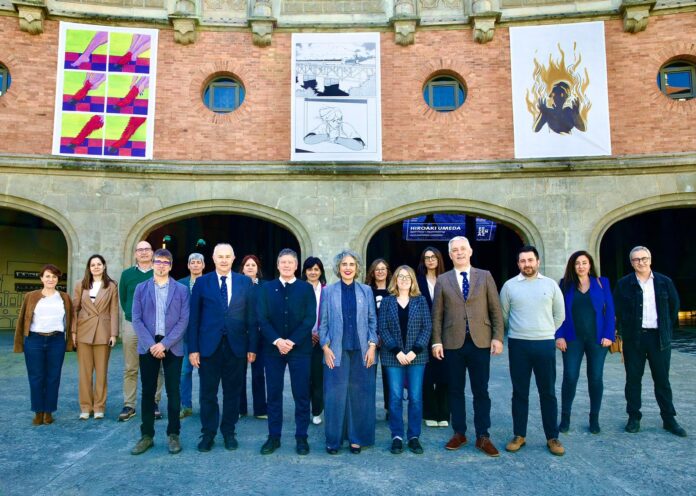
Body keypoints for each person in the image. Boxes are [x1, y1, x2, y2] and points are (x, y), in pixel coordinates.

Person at [431, 236, 504, 457]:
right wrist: (436, 341)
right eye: (455, 250)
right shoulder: (443, 280)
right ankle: (459, 433)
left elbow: (495, 309)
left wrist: (498, 337)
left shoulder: (485, 275)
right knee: (455, 390)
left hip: (480, 341)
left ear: (470, 251)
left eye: (463, 248)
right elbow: (437, 314)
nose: (459, 252)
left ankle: (483, 436)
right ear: (450, 255)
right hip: (452, 342)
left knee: (481, 390)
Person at [187, 243, 257, 452]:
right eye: (220, 256)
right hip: (209, 347)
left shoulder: (245, 282)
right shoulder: (202, 282)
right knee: (208, 393)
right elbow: (194, 318)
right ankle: (208, 433)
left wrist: (252, 347)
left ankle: (229, 432)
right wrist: (193, 349)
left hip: (237, 347)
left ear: (233, 258)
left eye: (228, 256)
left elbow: (252, 317)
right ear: (214, 258)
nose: (224, 260)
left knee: (232, 393)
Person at [500, 245, 566, 456]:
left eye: (530, 260)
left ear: (538, 262)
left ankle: (552, 437)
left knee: (548, 392)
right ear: (518, 264)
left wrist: (546, 330)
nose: (527, 264)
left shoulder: (551, 284)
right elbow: (504, 316)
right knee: (519, 392)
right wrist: (520, 331)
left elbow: (560, 314)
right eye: (523, 261)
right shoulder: (509, 286)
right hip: (518, 345)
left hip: (545, 343)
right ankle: (519, 435)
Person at [614, 246, 686, 437]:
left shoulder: (664, 282)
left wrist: (666, 328)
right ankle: (634, 417)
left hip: (658, 338)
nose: (641, 262)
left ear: (650, 259)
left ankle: (669, 419)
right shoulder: (623, 284)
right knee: (633, 380)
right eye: (636, 259)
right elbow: (618, 309)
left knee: (662, 380)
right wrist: (624, 331)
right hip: (634, 339)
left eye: (644, 258)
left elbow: (674, 306)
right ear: (631, 263)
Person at [257, 249, 317, 455]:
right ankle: (273, 437)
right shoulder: (266, 288)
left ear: (296, 266)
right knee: (274, 394)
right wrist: (277, 341)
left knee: (301, 394)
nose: (287, 265)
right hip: (272, 350)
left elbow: (310, 318)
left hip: (300, 350)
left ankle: (302, 437)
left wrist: (291, 341)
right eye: (283, 262)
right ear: (277, 265)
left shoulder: (306, 289)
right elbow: (262, 318)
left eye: (290, 262)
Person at [130, 249, 190, 455]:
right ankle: (147, 435)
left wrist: (164, 344)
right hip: (148, 344)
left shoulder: (181, 290)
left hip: (172, 345)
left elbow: (184, 320)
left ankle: (173, 434)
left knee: (173, 392)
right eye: (158, 261)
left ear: (170, 266)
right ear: (152, 264)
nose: (161, 265)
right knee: (148, 392)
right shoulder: (141, 288)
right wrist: (151, 345)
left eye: (165, 262)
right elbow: (136, 318)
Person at [319, 249, 378, 454]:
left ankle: (356, 439)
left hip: (362, 351)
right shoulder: (328, 291)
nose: (348, 268)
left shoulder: (366, 291)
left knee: (360, 396)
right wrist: (325, 348)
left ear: (357, 268)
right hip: (336, 351)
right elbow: (323, 324)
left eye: (351, 264)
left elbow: (372, 321)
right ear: (338, 267)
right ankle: (333, 441)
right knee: (334, 396)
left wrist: (372, 346)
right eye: (344, 264)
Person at [555, 251, 615, 434]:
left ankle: (594, 419)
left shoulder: (602, 282)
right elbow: (557, 311)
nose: (581, 266)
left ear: (590, 265)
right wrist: (559, 335)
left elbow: (610, 310)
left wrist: (609, 335)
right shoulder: (564, 284)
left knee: (595, 378)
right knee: (570, 377)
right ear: (572, 266)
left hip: (597, 339)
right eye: (577, 263)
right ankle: (565, 419)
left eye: (584, 262)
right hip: (572, 339)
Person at [378, 265, 431, 455]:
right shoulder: (387, 302)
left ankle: (414, 436)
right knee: (395, 398)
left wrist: (414, 351)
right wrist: (397, 351)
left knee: (415, 398)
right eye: (400, 276)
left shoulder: (421, 301)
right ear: (395, 280)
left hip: (417, 357)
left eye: (407, 276)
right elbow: (382, 328)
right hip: (393, 357)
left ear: (412, 280)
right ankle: (397, 436)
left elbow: (427, 327)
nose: (404, 279)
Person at [14, 264, 74, 425]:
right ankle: (38, 412)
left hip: (56, 341)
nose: (51, 279)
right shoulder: (31, 296)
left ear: (58, 279)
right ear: (41, 278)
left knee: (53, 377)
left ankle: (49, 412)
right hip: (34, 340)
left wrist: (71, 340)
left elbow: (71, 320)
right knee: (36, 377)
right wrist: (19, 342)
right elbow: (22, 320)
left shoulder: (64, 297)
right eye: (47, 276)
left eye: (54, 276)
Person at [118, 240, 163, 422]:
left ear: (152, 252)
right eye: (140, 250)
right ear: (135, 253)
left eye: (147, 249)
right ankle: (129, 405)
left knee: (155, 366)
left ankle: (154, 402)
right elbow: (123, 299)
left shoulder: (160, 272)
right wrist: (132, 315)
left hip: (155, 326)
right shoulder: (127, 275)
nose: (143, 252)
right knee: (130, 367)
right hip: (132, 325)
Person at [71, 254, 119, 420]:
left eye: (99, 264)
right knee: (84, 373)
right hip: (83, 330)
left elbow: (114, 310)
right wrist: (73, 332)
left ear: (104, 266)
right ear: (89, 268)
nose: (96, 267)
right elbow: (75, 309)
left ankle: (99, 406)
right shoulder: (80, 284)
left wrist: (113, 334)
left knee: (101, 372)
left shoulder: (111, 286)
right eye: (93, 265)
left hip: (103, 332)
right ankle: (85, 407)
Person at [416, 246, 449, 428]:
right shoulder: (418, 281)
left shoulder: (448, 279)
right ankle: (429, 412)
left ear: (438, 259)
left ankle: (443, 413)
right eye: (427, 257)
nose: (430, 260)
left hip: (446, 332)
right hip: (423, 333)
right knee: (427, 375)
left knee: (445, 374)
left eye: (433, 257)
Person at [238, 254, 267, 419]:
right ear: (242, 269)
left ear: (258, 269)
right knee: (239, 372)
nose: (250, 267)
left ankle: (261, 409)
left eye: (253, 265)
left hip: (260, 335)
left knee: (258, 373)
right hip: (240, 335)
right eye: (247, 265)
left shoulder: (265, 287)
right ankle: (240, 408)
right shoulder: (236, 285)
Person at [178, 252, 205, 419]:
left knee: (205, 374)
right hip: (185, 335)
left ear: (203, 265)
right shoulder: (180, 284)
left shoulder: (209, 283)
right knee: (184, 372)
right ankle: (185, 405)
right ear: (188, 266)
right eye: (192, 262)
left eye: (198, 262)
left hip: (205, 336)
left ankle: (205, 406)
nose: (195, 265)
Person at [301, 256, 327, 425]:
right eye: (310, 269)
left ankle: (317, 411)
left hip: (321, 340)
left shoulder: (327, 291)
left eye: (316, 269)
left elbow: (330, 315)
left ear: (321, 271)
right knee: (303, 378)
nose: (313, 272)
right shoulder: (298, 289)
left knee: (318, 378)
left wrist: (320, 334)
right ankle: (303, 411)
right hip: (302, 339)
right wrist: (307, 333)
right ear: (305, 271)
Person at [365, 258, 391, 419]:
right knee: (369, 375)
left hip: (390, 341)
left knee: (390, 376)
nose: (380, 271)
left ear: (387, 271)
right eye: (377, 269)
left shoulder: (394, 290)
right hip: (370, 340)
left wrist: (385, 336)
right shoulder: (367, 291)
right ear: (372, 272)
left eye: (383, 268)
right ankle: (368, 409)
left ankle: (390, 409)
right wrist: (374, 336)